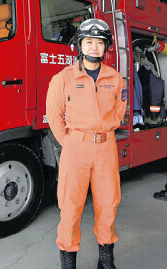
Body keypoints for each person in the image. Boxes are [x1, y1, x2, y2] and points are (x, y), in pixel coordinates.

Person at [46, 19, 127, 269]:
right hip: (76, 149)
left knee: (108, 204)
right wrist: (70, 143)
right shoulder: (63, 78)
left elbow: (119, 111)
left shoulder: (115, 78)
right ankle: (69, 263)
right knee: (70, 208)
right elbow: (54, 114)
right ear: (80, 45)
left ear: (106, 47)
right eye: (89, 42)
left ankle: (106, 260)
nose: (94, 47)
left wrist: (100, 132)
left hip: (106, 148)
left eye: (99, 43)